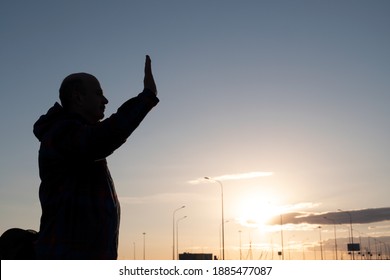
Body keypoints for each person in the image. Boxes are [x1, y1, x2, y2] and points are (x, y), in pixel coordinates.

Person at [33, 55, 159, 259]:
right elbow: (104, 137)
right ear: (79, 97)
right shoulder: (61, 134)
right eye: (99, 93)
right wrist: (147, 97)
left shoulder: (76, 136)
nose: (105, 100)